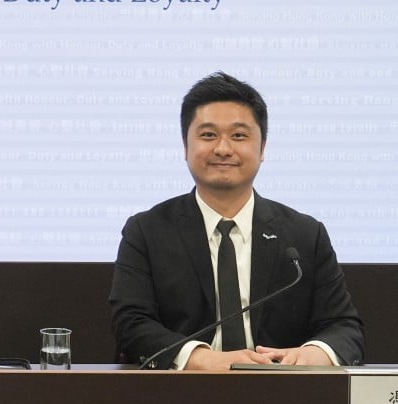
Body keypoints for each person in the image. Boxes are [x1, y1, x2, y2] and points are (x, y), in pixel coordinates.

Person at [109, 72, 363, 370]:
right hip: (178, 396)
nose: (223, 148)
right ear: (185, 146)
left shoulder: (305, 235)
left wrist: (310, 355)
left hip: (282, 397)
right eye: (208, 135)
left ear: (263, 147)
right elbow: (131, 323)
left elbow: (345, 327)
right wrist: (201, 359)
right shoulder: (147, 231)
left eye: (239, 135)